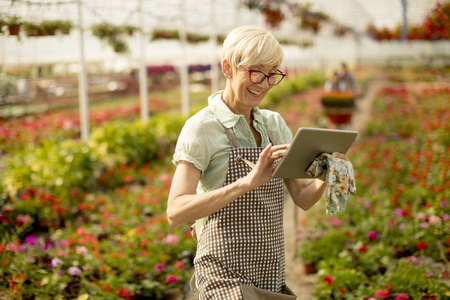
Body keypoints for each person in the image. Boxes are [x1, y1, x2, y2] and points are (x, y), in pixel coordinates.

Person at [167, 26, 351, 299]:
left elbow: (301, 196)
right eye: (255, 71)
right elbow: (175, 211)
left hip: (270, 271)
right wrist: (246, 183)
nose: (264, 83)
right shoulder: (202, 128)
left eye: (272, 74)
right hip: (223, 274)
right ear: (227, 68)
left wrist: (328, 173)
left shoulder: (274, 125)